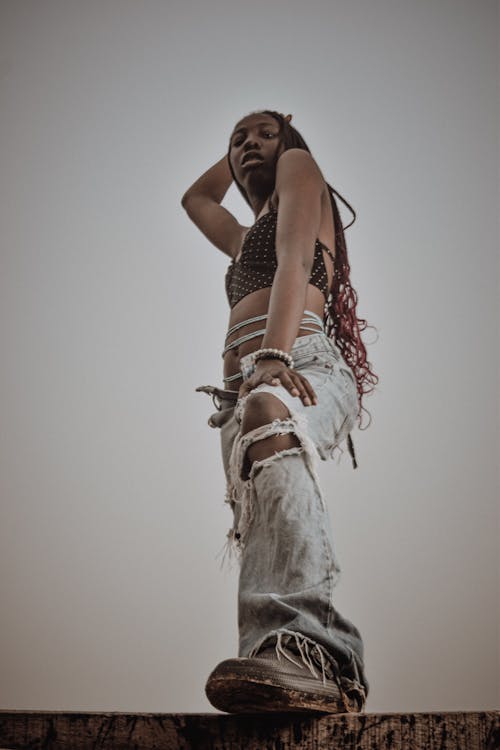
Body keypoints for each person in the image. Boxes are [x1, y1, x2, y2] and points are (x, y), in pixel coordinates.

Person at [181, 110, 378, 714]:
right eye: (237, 139)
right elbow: (196, 198)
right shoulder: (242, 238)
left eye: (263, 132)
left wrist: (273, 353)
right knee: (264, 508)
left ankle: (317, 650)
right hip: (243, 390)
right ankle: (280, 667)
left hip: (301, 358)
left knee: (271, 415)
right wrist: (238, 155)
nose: (250, 145)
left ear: (288, 141)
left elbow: (294, 257)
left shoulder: (300, 166)